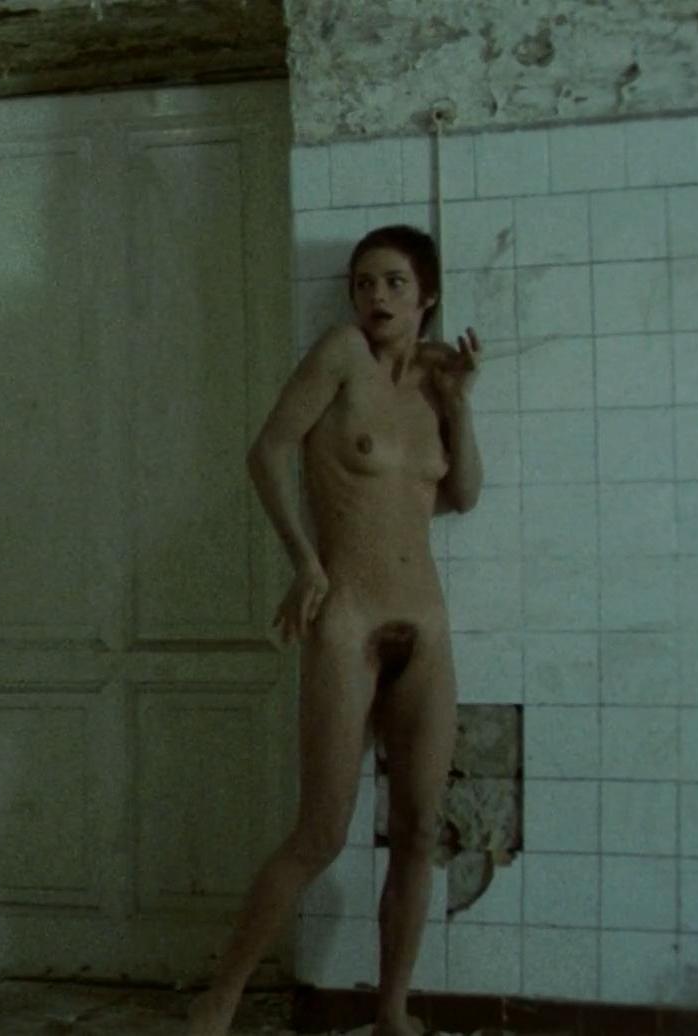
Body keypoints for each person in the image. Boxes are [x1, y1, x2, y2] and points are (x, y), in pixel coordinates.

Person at [187, 225, 483, 1036]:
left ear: (426, 295)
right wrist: (306, 562)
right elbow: (266, 452)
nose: (374, 296)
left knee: (418, 830)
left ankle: (392, 1011)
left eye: (393, 282)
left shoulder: (435, 382)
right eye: (362, 282)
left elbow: (464, 494)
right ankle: (219, 1000)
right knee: (321, 832)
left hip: (426, 623)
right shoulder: (340, 355)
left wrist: (461, 403)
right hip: (349, 617)